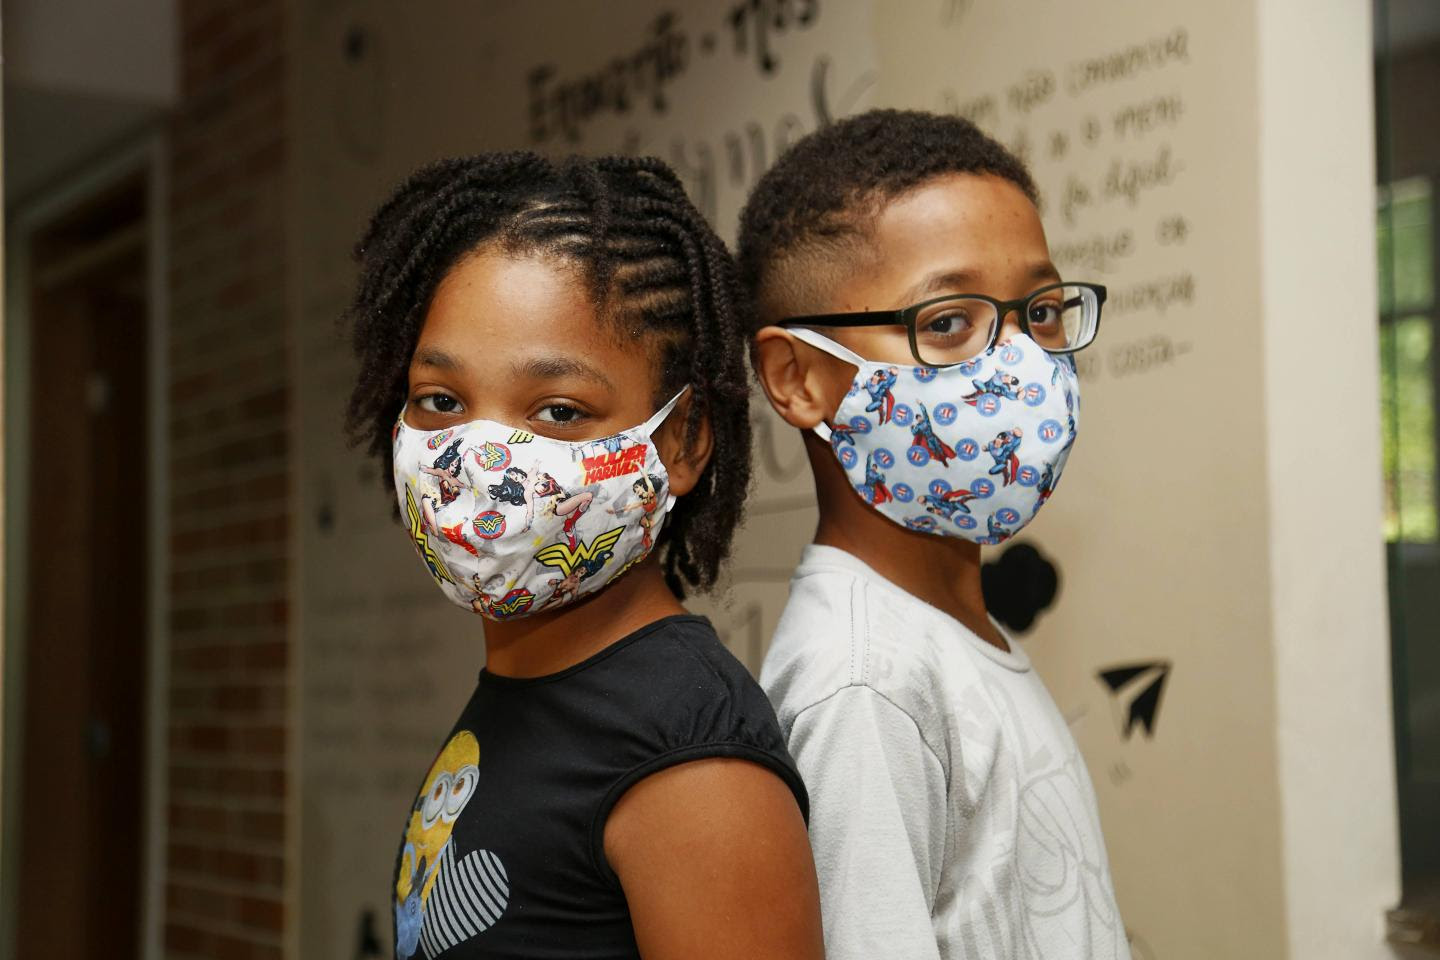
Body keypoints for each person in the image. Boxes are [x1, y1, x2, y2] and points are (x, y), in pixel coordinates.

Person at [345, 152, 823, 959]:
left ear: (683, 440)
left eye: (559, 410)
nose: (482, 459)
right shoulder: (531, 689)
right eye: (441, 400)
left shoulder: (686, 756)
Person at [738, 109, 1129, 959]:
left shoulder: (948, 636)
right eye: (948, 322)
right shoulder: (864, 685)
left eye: (1041, 311)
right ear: (797, 377)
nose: (1022, 363)